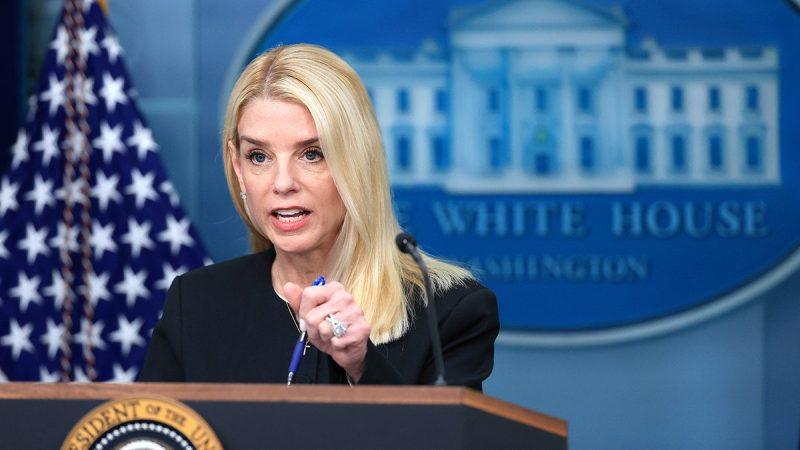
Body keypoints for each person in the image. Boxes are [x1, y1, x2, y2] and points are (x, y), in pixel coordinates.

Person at [138, 44, 499, 389]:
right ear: (238, 167)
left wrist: (361, 364)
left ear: (357, 162)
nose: (283, 183)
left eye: (312, 154)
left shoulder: (447, 312)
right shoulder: (197, 302)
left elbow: (438, 429)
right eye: (259, 157)